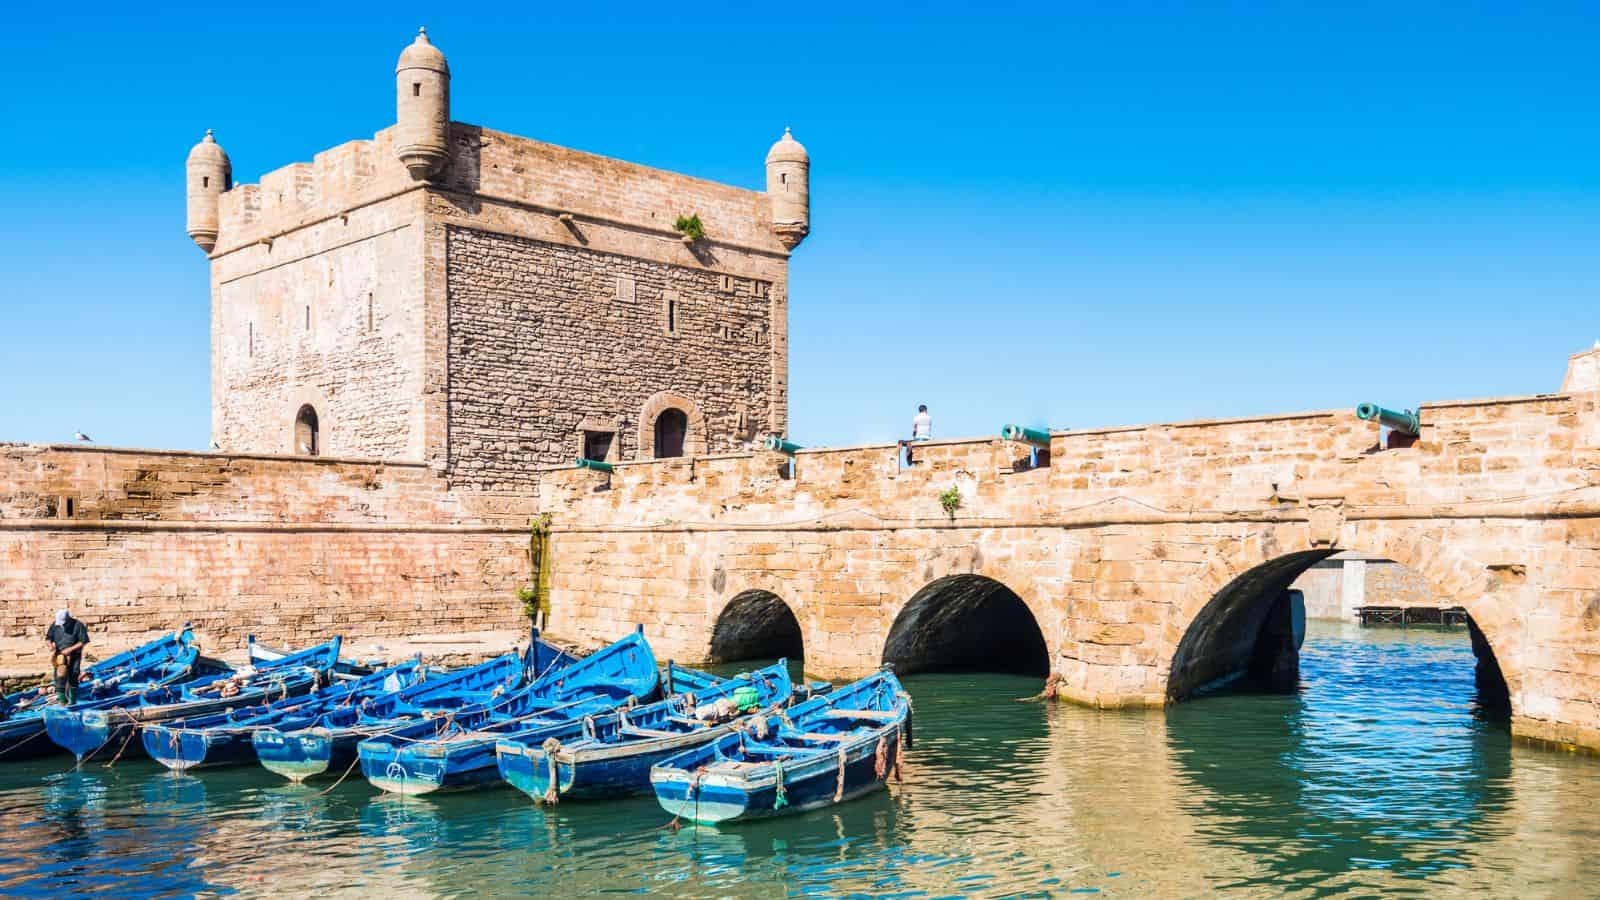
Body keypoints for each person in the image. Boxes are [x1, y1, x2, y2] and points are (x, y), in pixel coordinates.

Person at [44, 609, 89, 705]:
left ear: (68, 619)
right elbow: (48, 638)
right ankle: (62, 702)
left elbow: (83, 641)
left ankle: (72, 702)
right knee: (59, 678)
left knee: (73, 676)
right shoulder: (55, 625)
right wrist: (50, 646)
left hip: (74, 656)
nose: (61, 625)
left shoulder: (78, 625)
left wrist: (70, 649)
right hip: (60, 657)